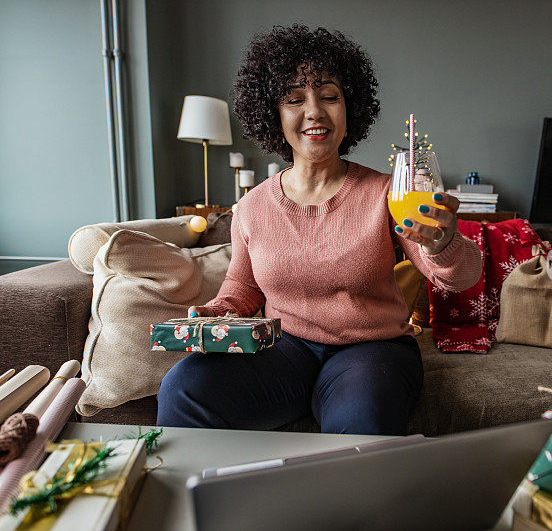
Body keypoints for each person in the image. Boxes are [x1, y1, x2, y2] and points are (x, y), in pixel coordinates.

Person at [157, 25, 482, 435]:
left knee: (362, 418)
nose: (315, 111)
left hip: (372, 350)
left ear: (350, 109)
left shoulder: (387, 193)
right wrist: (215, 314)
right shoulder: (253, 206)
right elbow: (243, 288)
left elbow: (461, 277)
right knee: (183, 388)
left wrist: (445, 242)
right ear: (273, 114)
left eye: (330, 96)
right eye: (295, 99)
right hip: (284, 349)